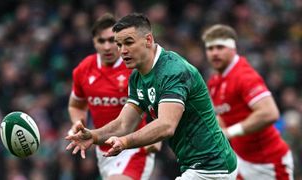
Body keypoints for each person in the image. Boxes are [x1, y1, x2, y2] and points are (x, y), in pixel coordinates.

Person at [66, 13, 238, 180]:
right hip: (195, 165)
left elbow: (166, 125)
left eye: (129, 43)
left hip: (213, 166)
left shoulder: (173, 71)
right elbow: (124, 123)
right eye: (119, 44)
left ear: (148, 40)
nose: (122, 51)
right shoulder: (136, 76)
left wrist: (124, 142)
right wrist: (94, 136)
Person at [68, 13, 159, 180]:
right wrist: (77, 124)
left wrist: (156, 136)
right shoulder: (84, 69)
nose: (107, 47)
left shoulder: (134, 68)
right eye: (101, 41)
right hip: (102, 149)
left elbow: (156, 102)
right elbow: (76, 105)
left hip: (134, 148)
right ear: (93, 42)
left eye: (112, 41)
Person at [202, 24, 294, 180]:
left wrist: (230, 133)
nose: (214, 53)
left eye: (220, 47)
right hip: (242, 161)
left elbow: (269, 113)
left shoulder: (244, 76)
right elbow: (223, 117)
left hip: (269, 163)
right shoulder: (214, 81)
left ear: (233, 48)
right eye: (210, 49)